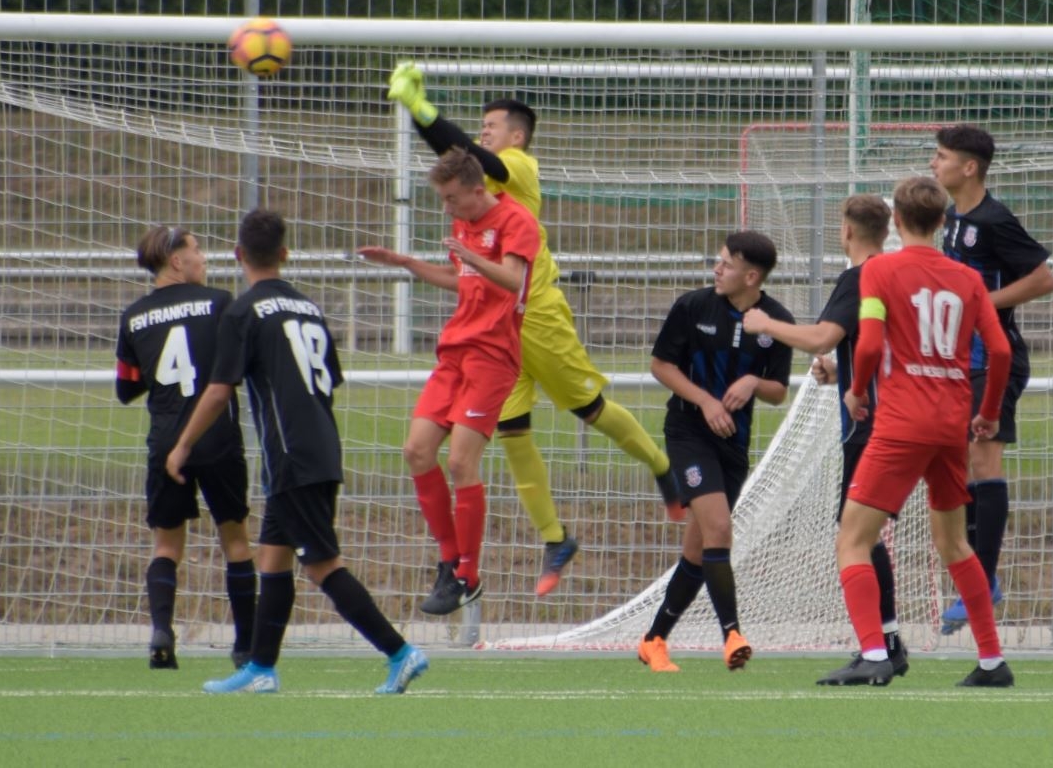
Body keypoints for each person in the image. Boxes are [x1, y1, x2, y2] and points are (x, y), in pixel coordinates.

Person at [389, 62, 682, 596]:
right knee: (513, 430)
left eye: (491, 127)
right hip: (493, 329)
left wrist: (421, 108)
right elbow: (459, 164)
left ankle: (662, 465)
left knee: (588, 409)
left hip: (536, 313)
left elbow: (470, 159)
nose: (482, 134)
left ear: (516, 136)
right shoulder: (474, 193)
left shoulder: (518, 166)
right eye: (481, 127)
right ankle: (555, 538)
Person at [168, 209, 426, 695]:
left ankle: (400, 652)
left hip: (291, 456)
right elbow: (328, 382)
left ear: (238, 255)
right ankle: (261, 668)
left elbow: (220, 390)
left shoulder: (242, 312)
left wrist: (182, 445)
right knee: (273, 558)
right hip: (320, 445)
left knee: (322, 564)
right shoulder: (308, 308)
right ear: (285, 254)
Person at [817, 176, 1014, 688]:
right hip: (951, 423)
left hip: (902, 422)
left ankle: (874, 652)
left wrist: (857, 390)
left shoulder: (880, 270)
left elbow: (866, 347)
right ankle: (992, 661)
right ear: (944, 222)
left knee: (852, 538)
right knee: (954, 544)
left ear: (897, 222)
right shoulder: (968, 279)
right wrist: (987, 411)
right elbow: (998, 351)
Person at [359, 149, 540, 616]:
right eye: (443, 199)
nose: (447, 208)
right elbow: (463, 281)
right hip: (455, 351)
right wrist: (406, 263)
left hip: (493, 357)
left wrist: (472, 256)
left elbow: (512, 283)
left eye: (452, 198)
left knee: (462, 462)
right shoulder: (463, 227)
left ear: (478, 190)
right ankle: (447, 559)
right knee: (416, 450)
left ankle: (468, 574)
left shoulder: (516, 221)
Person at [741, 194, 908, 677]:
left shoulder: (861, 277)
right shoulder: (894, 275)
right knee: (866, 533)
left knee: (854, 535)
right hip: (899, 415)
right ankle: (889, 640)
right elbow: (880, 345)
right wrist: (845, 371)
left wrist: (765, 323)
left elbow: (820, 337)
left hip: (871, 425)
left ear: (847, 231)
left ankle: (876, 651)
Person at [636, 230, 792, 673]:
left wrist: (752, 383)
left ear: (751, 275)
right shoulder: (693, 306)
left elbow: (778, 391)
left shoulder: (774, 320)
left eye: (725, 264)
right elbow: (661, 365)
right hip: (687, 432)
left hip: (733, 444)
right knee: (720, 530)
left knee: (699, 550)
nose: (716, 269)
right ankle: (732, 635)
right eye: (717, 261)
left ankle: (653, 640)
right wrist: (704, 400)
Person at [929, 124, 1053, 634]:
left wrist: (981, 305)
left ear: (969, 167)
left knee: (983, 461)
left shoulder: (994, 219)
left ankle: (982, 579)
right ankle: (979, 579)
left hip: (995, 359)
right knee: (959, 465)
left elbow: (1044, 278)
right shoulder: (954, 220)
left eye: (940, 157)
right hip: (964, 361)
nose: (933, 165)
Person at [115, 225, 255, 670]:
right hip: (218, 437)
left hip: (165, 440)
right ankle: (246, 645)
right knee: (234, 538)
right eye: (197, 250)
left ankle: (162, 632)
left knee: (166, 545)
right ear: (176, 261)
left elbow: (126, 388)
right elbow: (241, 365)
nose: (203, 258)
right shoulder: (219, 302)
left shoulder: (134, 316)